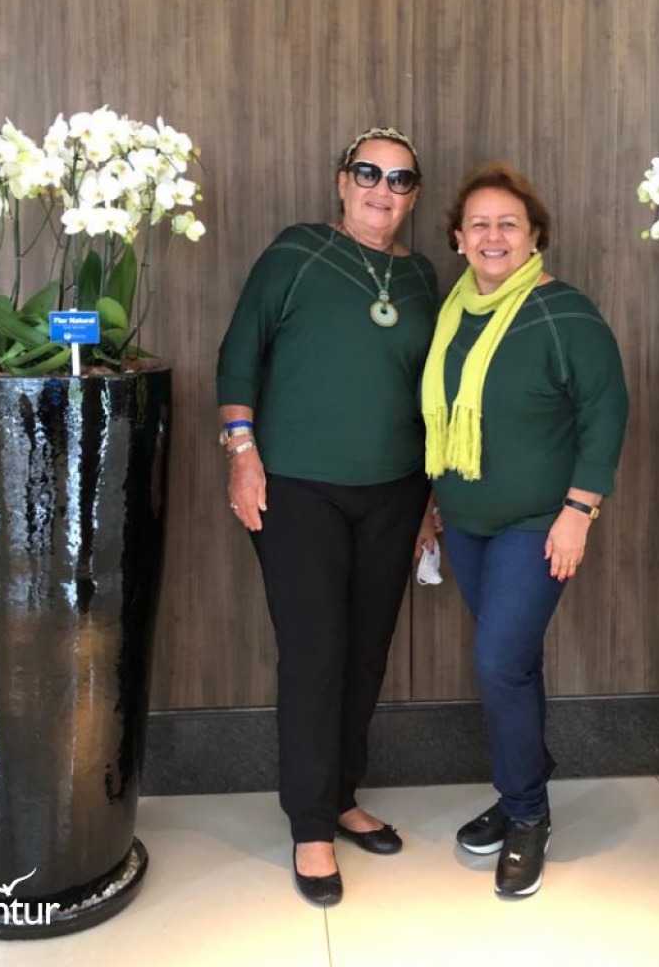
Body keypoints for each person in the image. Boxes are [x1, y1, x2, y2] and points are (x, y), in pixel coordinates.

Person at [216, 128, 439, 907]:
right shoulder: (297, 251)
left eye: (401, 179)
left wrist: (432, 497)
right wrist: (242, 453)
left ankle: (342, 795)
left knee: (366, 652)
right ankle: (310, 825)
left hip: (396, 492)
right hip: (297, 490)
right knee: (314, 653)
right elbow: (239, 354)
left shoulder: (423, 277)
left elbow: (434, 390)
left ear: (414, 196)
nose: (383, 189)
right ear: (342, 181)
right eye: (368, 173)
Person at [421, 162, 628, 899]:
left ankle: (528, 814)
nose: (493, 235)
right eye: (478, 224)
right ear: (457, 239)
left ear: (535, 236)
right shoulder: (453, 315)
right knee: (514, 664)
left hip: (539, 525)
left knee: (499, 662)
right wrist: (432, 504)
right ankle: (521, 791)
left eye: (508, 223)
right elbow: (440, 419)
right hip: (465, 522)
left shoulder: (564, 312)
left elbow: (606, 413)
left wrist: (579, 512)